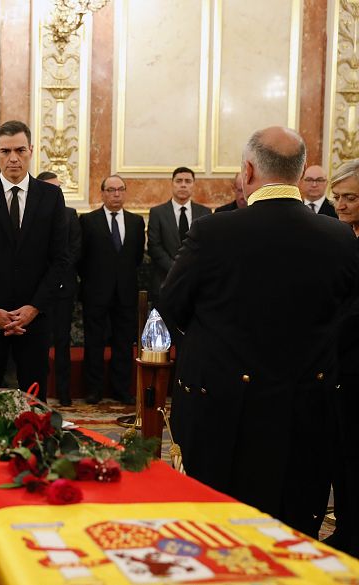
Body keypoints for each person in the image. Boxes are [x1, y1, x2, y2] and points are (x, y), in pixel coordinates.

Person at [159, 126, 359, 538]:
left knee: (220, 529)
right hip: (306, 408)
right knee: (293, 527)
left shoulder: (213, 232)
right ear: (302, 176)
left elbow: (171, 305)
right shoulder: (340, 237)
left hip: (223, 411)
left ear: (248, 171)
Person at [0, 120, 69, 402]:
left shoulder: (51, 196)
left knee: (34, 403)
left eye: (20, 150)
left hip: (34, 317)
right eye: (6, 151)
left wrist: (34, 307)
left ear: (31, 150)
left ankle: (33, 448)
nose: (13, 158)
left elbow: (60, 259)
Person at [79, 175, 145, 405]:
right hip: (95, 292)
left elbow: (136, 257)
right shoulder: (88, 221)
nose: (116, 194)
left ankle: (120, 389)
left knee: (124, 344)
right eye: (111, 190)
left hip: (125, 293)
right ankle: (94, 390)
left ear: (125, 192)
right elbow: (81, 257)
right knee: (94, 344)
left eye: (120, 189)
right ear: (102, 193)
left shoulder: (136, 222)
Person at [324, 160, 359, 556]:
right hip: (336, 364)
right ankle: (346, 527)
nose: (341, 204)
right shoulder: (341, 238)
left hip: (352, 360)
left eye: (350, 197)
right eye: (338, 197)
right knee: (338, 450)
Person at [36, 171, 80, 406]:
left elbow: (73, 250)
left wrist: (56, 276)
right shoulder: (33, 213)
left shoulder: (70, 214)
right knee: (37, 344)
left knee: (62, 343)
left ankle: (64, 393)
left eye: (59, 188)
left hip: (63, 289)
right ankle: (37, 392)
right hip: (37, 291)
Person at [147, 166, 210, 299]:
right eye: (179, 181)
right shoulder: (157, 213)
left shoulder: (204, 212)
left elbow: (207, 245)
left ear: (193, 185)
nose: (183, 185)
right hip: (164, 282)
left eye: (188, 181)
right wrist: (177, 269)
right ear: (172, 184)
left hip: (196, 282)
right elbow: (154, 247)